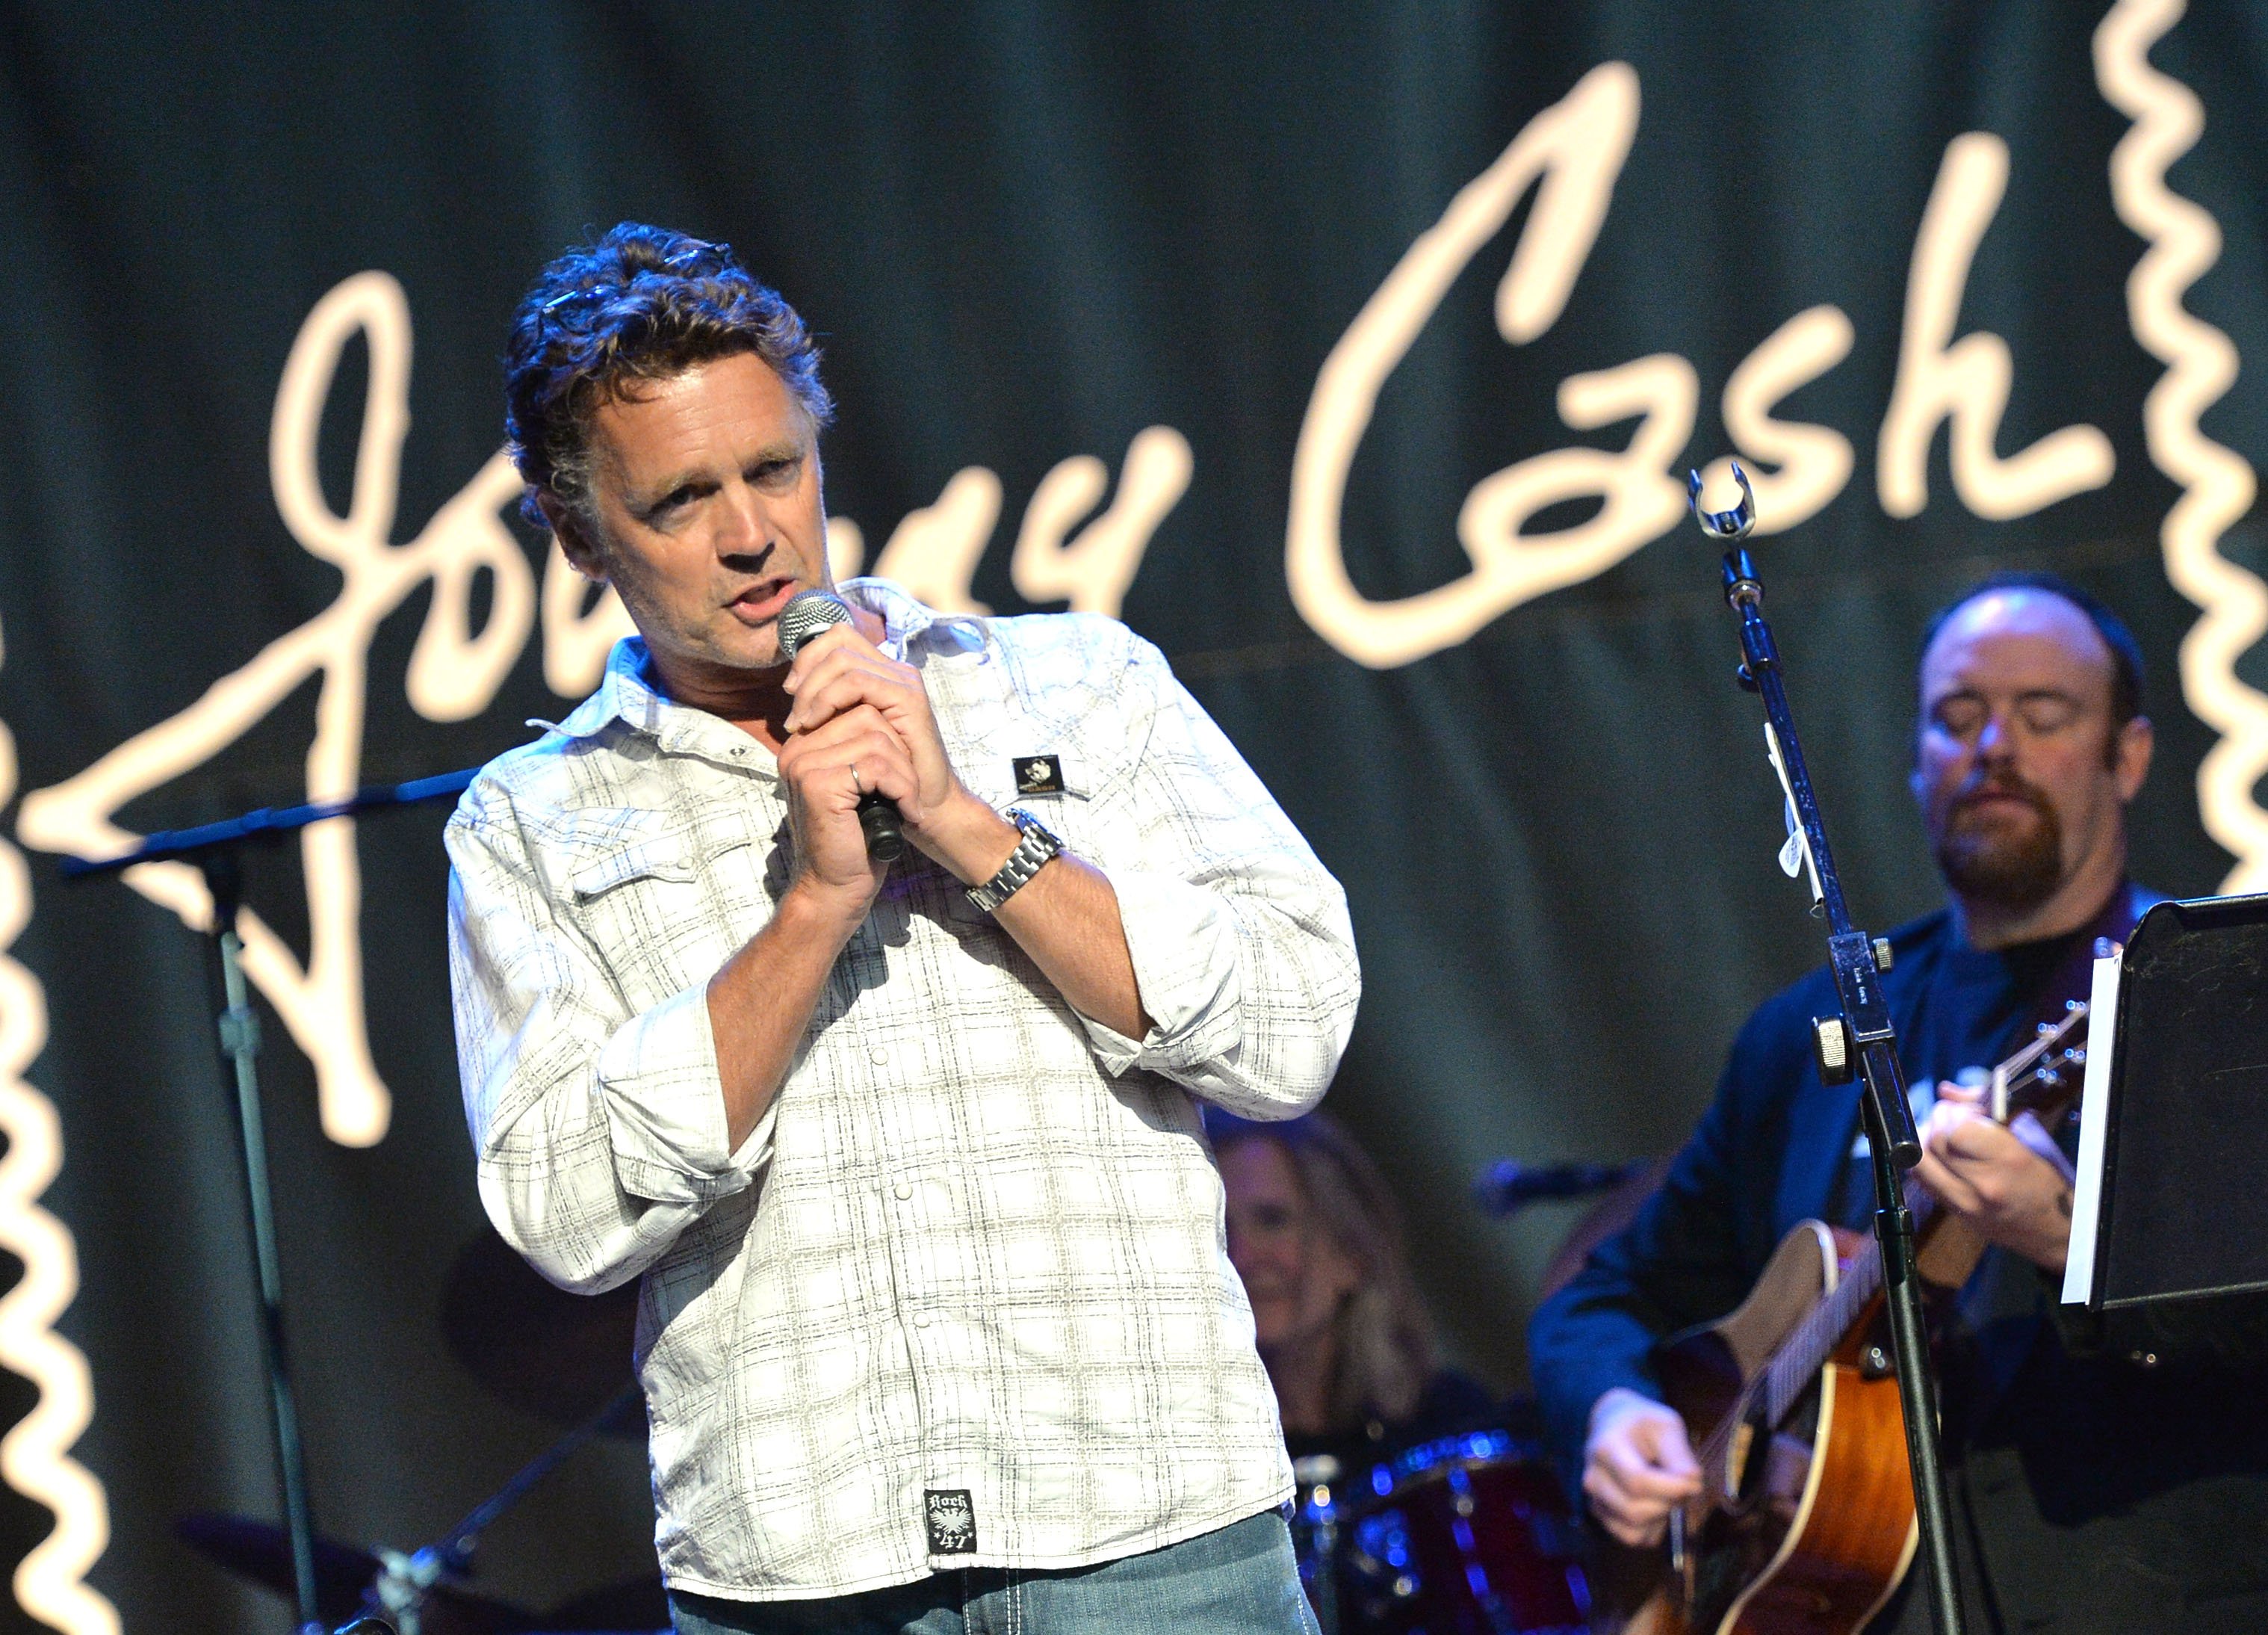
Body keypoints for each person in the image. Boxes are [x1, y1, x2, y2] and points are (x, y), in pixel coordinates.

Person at [445, 223, 1361, 1634]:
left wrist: (964, 824)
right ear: (576, 532)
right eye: (682, 498)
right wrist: (813, 905)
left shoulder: (1080, 685)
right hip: (802, 1578)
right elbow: (567, 1214)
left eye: (775, 468)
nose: (752, 532)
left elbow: (1291, 1030)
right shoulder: (535, 822)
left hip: (1154, 1539)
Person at [1529, 575, 2268, 1631]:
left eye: (2044, 713)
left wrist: (2068, 1240)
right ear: (1916, 762)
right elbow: (1602, 1297)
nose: (1993, 746)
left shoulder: (2216, 997)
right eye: (1957, 718)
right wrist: (1615, 1409)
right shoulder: (1803, 1039)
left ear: (2130, 756)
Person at [1207, 1108, 1497, 1474]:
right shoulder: (1189, 1457)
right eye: (1218, 1231)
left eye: (1272, 1221)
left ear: (1351, 1253)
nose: (1240, 1256)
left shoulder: (1445, 1424)